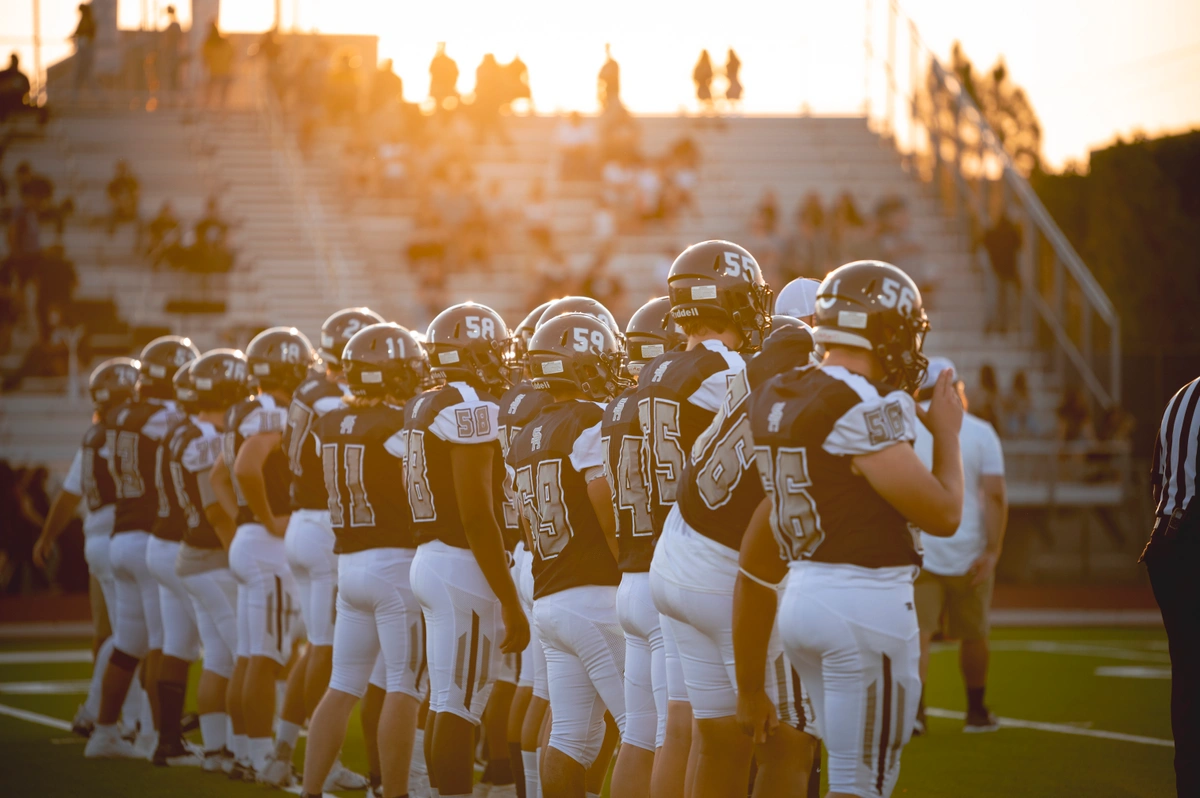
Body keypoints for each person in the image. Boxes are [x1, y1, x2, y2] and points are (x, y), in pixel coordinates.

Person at [734, 260, 963, 798]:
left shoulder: (781, 391)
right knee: (863, 785)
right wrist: (948, 434)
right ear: (884, 332)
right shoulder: (862, 403)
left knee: (826, 768)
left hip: (802, 603)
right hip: (864, 606)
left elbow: (761, 546)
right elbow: (945, 515)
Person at [651, 247, 818, 798]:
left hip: (674, 550)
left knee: (720, 740)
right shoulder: (800, 370)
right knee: (789, 744)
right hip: (726, 570)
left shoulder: (744, 368)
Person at [641, 240, 773, 798]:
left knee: (691, 729)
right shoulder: (726, 369)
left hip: (665, 550)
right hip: (713, 555)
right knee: (758, 737)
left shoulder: (658, 370)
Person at [405, 303, 529, 798]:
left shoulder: (427, 401)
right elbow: (477, 514)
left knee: (447, 700)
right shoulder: (469, 407)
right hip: (460, 563)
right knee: (458, 705)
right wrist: (510, 601)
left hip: (433, 558)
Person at [300, 323, 428, 798]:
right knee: (403, 686)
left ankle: (310, 790)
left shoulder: (330, 421)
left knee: (342, 686)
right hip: (393, 565)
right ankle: (394, 791)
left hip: (348, 566)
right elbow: (417, 491)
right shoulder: (396, 426)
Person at [506, 311, 626, 797]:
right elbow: (604, 505)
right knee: (647, 732)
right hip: (595, 595)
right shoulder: (589, 421)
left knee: (572, 736)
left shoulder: (522, 438)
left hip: (551, 596)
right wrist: (629, 566)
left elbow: (527, 526)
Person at [275, 308, 383, 790]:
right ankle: (306, 756)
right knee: (325, 652)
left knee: (316, 646)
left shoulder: (307, 389)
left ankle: (281, 749)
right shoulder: (337, 397)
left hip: (305, 519)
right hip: (325, 524)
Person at [83, 336, 200, 760]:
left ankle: (104, 731)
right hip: (149, 535)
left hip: (120, 534)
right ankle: (156, 736)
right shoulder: (162, 417)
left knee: (127, 642)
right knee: (159, 642)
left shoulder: (117, 417)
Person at [210, 327, 311, 780]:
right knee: (265, 659)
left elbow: (218, 475)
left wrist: (244, 518)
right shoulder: (274, 413)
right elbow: (247, 465)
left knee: (250, 656)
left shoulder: (242, 411)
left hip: (251, 540)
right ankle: (259, 754)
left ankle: (240, 750)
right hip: (267, 545)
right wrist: (266, 518)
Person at [601, 297, 683, 798]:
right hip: (664, 578)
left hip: (629, 576)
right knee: (671, 733)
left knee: (636, 731)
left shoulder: (613, 408)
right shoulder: (674, 399)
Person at [33, 358, 139, 738]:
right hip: (121, 539)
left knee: (112, 633)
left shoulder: (92, 437)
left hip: (98, 540)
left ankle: (100, 714)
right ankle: (116, 717)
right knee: (133, 637)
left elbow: (68, 496)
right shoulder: (130, 433)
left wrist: (46, 537)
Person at [912, 357, 1007, 735]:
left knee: (917, 635)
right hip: (969, 550)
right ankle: (976, 711)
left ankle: (915, 714)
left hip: (919, 550)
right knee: (974, 633)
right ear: (955, 390)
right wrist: (993, 551)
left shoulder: (905, 426)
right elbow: (996, 495)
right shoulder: (981, 432)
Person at [171, 349, 249, 772]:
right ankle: (241, 750)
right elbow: (215, 509)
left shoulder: (189, 431)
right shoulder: (205, 438)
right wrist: (241, 550)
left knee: (219, 658)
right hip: (212, 557)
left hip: (196, 555)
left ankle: (219, 751)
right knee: (244, 657)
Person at [144, 361, 207, 767]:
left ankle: (167, 738)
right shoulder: (200, 433)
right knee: (229, 650)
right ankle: (230, 742)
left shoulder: (173, 430)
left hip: (160, 542)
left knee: (175, 645)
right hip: (185, 544)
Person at [1144, 375, 1200, 796]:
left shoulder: (1181, 395)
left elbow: (1157, 482)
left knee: (1187, 676)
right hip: (1192, 539)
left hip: (1165, 543)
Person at [981, 210, 1022, 335]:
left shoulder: (992, 233)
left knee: (993, 298)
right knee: (1003, 300)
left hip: (995, 269)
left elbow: (983, 248)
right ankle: (1001, 325)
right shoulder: (1013, 234)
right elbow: (1019, 253)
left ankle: (992, 323)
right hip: (1006, 272)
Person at [202, 23, 234, 109]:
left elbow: (204, 58)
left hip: (214, 72)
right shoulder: (225, 42)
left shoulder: (208, 43)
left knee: (210, 92)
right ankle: (221, 110)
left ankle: (207, 108)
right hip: (225, 71)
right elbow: (232, 55)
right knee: (222, 95)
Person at [106, 161, 140, 238]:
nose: (122, 172)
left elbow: (137, 196)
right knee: (110, 215)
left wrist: (129, 203)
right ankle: (110, 237)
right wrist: (120, 203)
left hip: (131, 209)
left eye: (124, 170)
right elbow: (110, 197)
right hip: (118, 209)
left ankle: (138, 241)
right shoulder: (114, 183)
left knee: (141, 220)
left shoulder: (133, 182)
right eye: (120, 170)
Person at [1002, 370, 1036, 438]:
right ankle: (1014, 433)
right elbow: (1006, 408)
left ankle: (1031, 433)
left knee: (1030, 419)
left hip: (1025, 416)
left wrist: (1023, 412)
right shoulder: (1011, 393)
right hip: (1014, 416)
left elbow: (1030, 406)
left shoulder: (1026, 394)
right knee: (1014, 420)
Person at [971, 364, 1003, 433]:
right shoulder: (977, 391)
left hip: (992, 421)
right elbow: (974, 407)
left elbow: (999, 408)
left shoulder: (995, 392)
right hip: (980, 419)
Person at [73, 3, 97, 94]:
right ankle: (74, 100)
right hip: (83, 53)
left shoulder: (89, 21)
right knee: (79, 78)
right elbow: (77, 32)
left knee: (87, 77)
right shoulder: (84, 20)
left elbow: (90, 37)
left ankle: (102, 100)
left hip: (86, 54)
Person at [429, 43, 459, 111]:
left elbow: (455, 74)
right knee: (438, 108)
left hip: (447, 88)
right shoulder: (435, 60)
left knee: (449, 108)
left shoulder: (449, 61)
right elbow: (431, 73)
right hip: (439, 88)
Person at [160, 6, 183, 92]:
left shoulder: (174, 25)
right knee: (171, 75)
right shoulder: (174, 25)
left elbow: (177, 39)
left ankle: (173, 92)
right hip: (172, 53)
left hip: (172, 54)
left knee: (173, 75)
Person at [598, 44, 620, 110]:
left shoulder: (613, 64)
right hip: (609, 94)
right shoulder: (607, 65)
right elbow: (600, 76)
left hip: (613, 94)